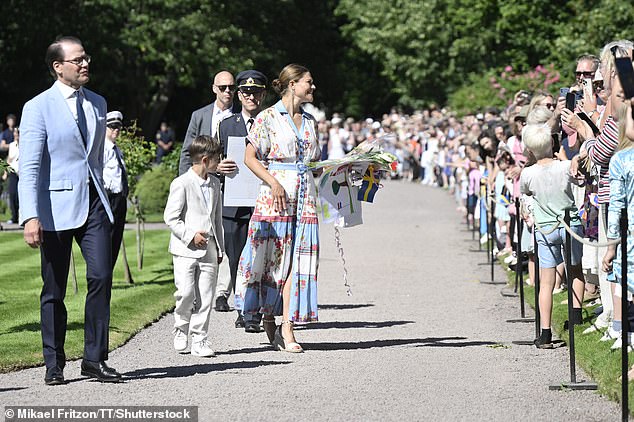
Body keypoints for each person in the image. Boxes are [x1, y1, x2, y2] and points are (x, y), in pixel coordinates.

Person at [18, 36, 120, 384]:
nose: (84, 64)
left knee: (102, 277)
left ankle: (94, 359)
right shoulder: (38, 107)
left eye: (86, 58)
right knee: (54, 289)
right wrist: (30, 215)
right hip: (54, 208)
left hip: (94, 203)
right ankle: (54, 362)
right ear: (58, 67)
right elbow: (29, 168)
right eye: (77, 60)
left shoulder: (98, 103)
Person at [235, 64, 320, 352]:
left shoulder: (310, 121)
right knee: (273, 262)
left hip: (305, 197)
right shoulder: (267, 118)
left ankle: (288, 325)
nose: (313, 87)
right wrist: (274, 182)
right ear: (293, 84)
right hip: (276, 197)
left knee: (298, 263)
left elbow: (313, 163)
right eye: (309, 82)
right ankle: (270, 319)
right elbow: (250, 157)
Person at [520, 123, 585, 349]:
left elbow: (525, 194)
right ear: (552, 143)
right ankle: (575, 317)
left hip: (546, 227)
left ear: (529, 150)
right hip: (569, 223)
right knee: (575, 270)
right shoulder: (565, 166)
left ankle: (545, 332)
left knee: (546, 282)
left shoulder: (527, 173)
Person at [213, 70, 267, 331]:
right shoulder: (226, 124)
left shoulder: (271, 122)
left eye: (256, 92)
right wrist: (218, 166)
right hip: (233, 203)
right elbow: (214, 159)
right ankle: (240, 307)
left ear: (263, 94)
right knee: (235, 258)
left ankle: (254, 312)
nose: (250, 96)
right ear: (239, 95)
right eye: (246, 92)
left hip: (263, 200)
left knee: (260, 258)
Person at [163, 135, 224, 357]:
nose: (220, 162)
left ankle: (200, 339)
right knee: (186, 292)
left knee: (206, 296)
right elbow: (171, 218)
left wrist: (220, 248)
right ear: (206, 160)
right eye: (217, 159)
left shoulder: (216, 184)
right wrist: (190, 236)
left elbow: (217, 219)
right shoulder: (181, 183)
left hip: (209, 249)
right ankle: (181, 329)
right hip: (185, 250)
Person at [179, 70, 239, 176]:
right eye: (222, 87)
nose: (227, 91)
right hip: (204, 180)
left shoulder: (241, 115)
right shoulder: (199, 116)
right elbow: (187, 152)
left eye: (231, 87)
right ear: (214, 89)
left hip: (233, 179)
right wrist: (185, 181)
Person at [103, 111, 128, 270]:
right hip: (108, 198)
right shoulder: (103, 149)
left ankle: (108, 274)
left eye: (118, 127)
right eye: (112, 127)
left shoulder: (116, 149)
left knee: (115, 239)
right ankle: (103, 274)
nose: (116, 130)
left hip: (119, 199)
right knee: (106, 240)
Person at [5, 127, 19, 224]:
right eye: (15, 133)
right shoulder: (11, 145)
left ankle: (21, 216)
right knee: (13, 194)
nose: (16, 135)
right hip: (13, 172)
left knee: (20, 196)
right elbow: (9, 160)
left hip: (22, 173)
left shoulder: (25, 144)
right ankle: (14, 217)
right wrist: (6, 172)